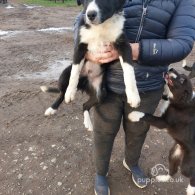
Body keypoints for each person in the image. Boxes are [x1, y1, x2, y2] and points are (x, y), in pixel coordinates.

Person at [74, 0, 195, 194]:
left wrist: (135, 50)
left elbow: (182, 43)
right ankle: (101, 172)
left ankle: (131, 162)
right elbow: (83, 17)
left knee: (138, 132)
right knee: (103, 133)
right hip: (107, 82)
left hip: (148, 85)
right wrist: (85, 48)